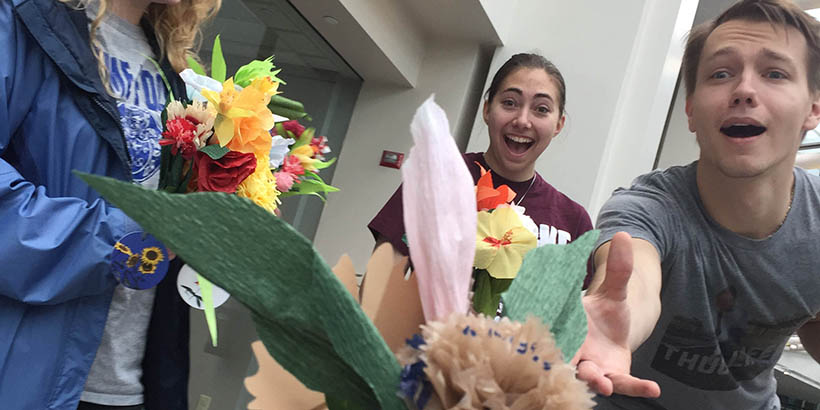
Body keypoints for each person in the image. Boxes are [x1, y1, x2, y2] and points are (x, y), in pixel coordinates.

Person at [574, 1, 820, 409]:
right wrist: (615, 320)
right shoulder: (647, 207)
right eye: (720, 74)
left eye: (774, 73)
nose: (744, 90)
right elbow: (634, 279)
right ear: (690, 109)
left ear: (813, 108)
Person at [0, 0, 219, 409]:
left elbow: (171, 232)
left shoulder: (180, 76)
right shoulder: (23, 20)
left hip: (130, 385)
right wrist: (127, 244)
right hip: (26, 376)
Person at [369, 53, 593, 272]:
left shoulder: (573, 221)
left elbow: (573, 306)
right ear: (487, 110)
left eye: (541, 109)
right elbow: (380, 284)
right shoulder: (436, 180)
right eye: (509, 103)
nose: (523, 121)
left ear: (558, 125)